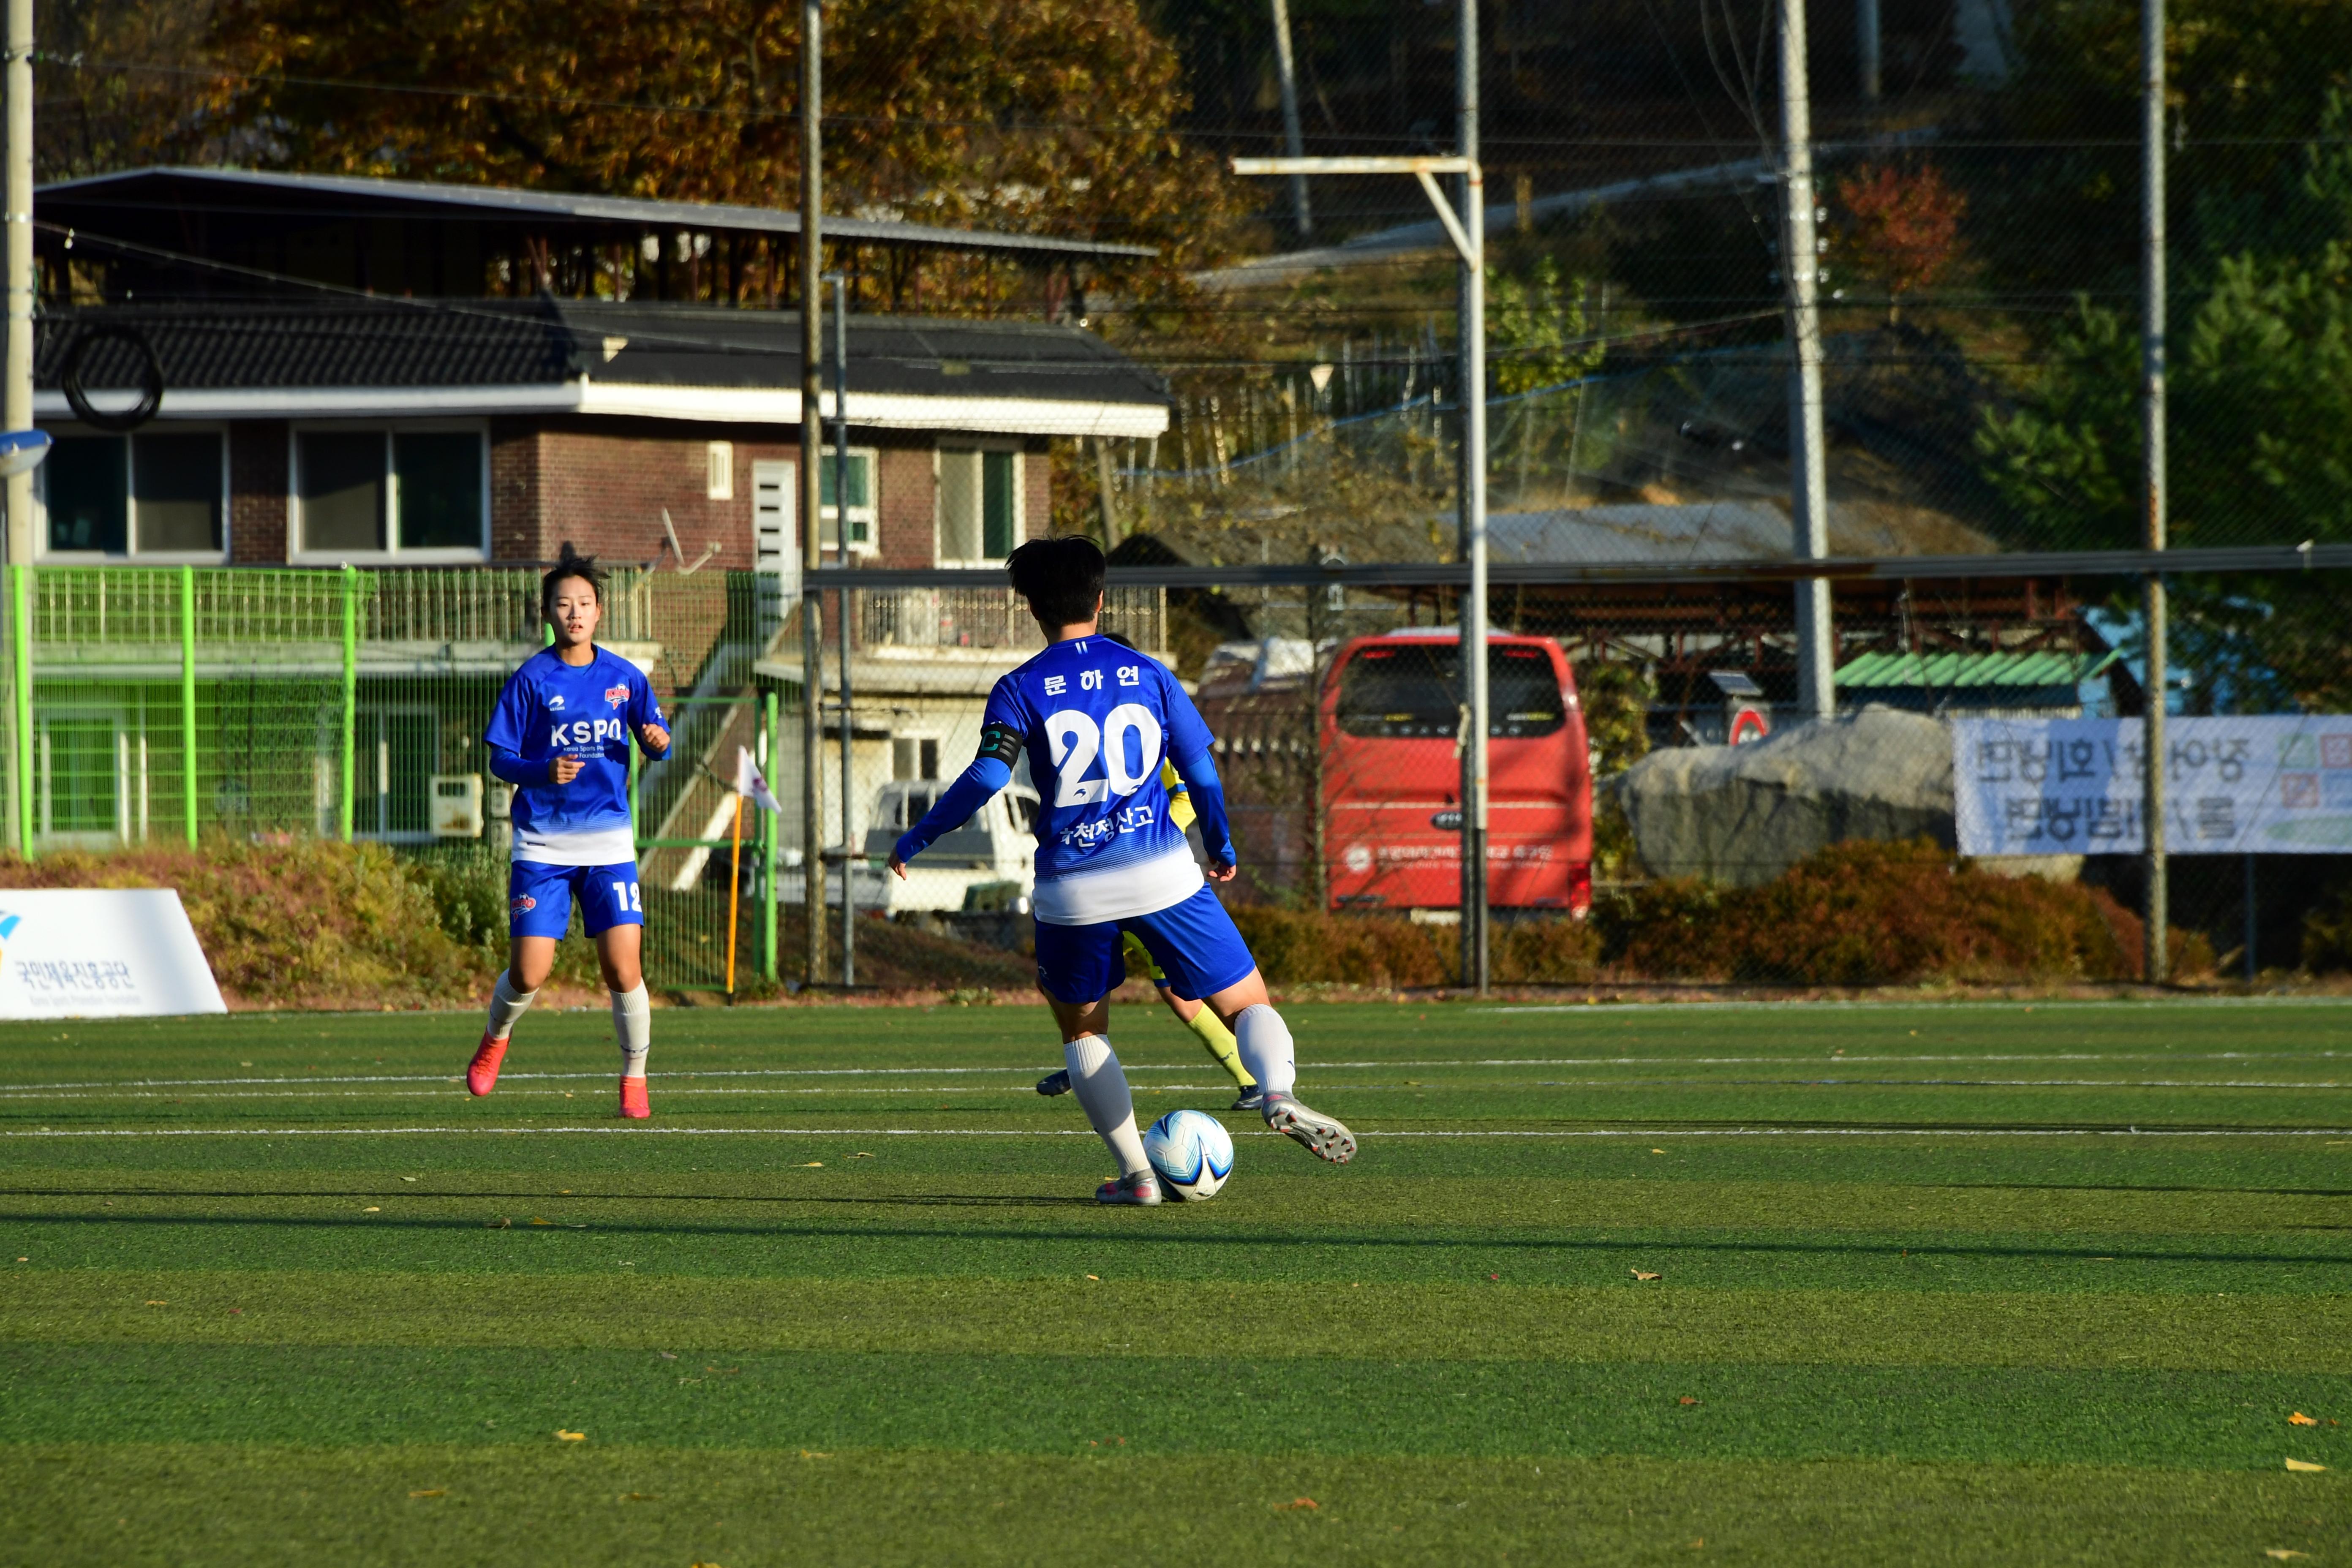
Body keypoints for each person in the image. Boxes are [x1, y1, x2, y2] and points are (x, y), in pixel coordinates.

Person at [890, 535, 1352, 1204]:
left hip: (1071, 888)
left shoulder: (1019, 687)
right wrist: (1220, 845)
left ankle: (1138, 1175)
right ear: (1102, 600)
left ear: (1031, 609)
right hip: (1163, 868)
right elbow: (1200, 770)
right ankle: (1276, 1091)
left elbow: (988, 775)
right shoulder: (1150, 672)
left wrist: (920, 836)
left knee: (1084, 1031)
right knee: (1248, 1002)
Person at [467, 544, 672, 1119]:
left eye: (584, 603)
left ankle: (635, 1077)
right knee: (530, 970)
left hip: (609, 844)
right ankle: (495, 1039)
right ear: (549, 614)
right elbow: (501, 759)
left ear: (600, 611)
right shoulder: (532, 679)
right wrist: (541, 770)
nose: (575, 613)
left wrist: (659, 743)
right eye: (564, 604)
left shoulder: (625, 677)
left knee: (622, 968)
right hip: (543, 843)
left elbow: (659, 736)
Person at [1036, 759, 1262, 1112]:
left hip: (1146, 880)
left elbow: (1187, 795)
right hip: (1099, 880)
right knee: (1057, 981)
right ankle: (1081, 1058)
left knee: (1177, 992)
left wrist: (1145, 833)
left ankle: (1255, 1078)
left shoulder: (1151, 720)